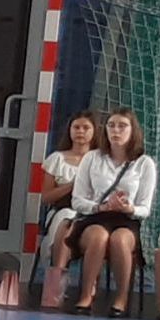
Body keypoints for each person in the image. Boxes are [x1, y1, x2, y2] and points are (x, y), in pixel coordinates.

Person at [66, 108, 158, 317]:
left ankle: (121, 299)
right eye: (111, 125)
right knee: (99, 236)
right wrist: (101, 206)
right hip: (96, 216)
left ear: (133, 131)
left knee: (119, 239)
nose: (116, 130)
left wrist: (129, 208)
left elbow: (145, 208)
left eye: (122, 126)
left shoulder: (144, 163)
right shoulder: (92, 158)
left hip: (127, 219)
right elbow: (77, 200)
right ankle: (86, 295)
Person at [39, 110, 99, 281]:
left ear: (94, 131)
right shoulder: (56, 159)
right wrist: (72, 186)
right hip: (62, 209)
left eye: (85, 128)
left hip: (92, 213)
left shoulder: (101, 161)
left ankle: (90, 283)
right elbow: (46, 197)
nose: (80, 131)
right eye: (76, 127)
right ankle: (57, 279)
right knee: (66, 218)